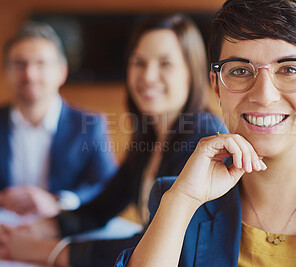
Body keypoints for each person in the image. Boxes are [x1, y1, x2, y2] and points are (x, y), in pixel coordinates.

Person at [115, 0, 296, 266]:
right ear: (216, 86)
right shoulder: (179, 200)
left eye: (288, 69)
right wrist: (183, 200)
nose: (264, 95)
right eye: (240, 71)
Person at [0, 14, 227, 266]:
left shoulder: (204, 136)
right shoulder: (150, 137)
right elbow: (99, 208)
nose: (148, 76)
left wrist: (47, 250)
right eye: (139, 62)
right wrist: (40, 228)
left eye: (165, 64)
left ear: (192, 72)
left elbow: (155, 242)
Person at [0, 21, 117, 217]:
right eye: (20, 64)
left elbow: (106, 186)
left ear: (62, 72)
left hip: (60, 229)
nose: (29, 74)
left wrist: (59, 202)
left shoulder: (89, 125)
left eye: (41, 63)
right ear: (7, 72)